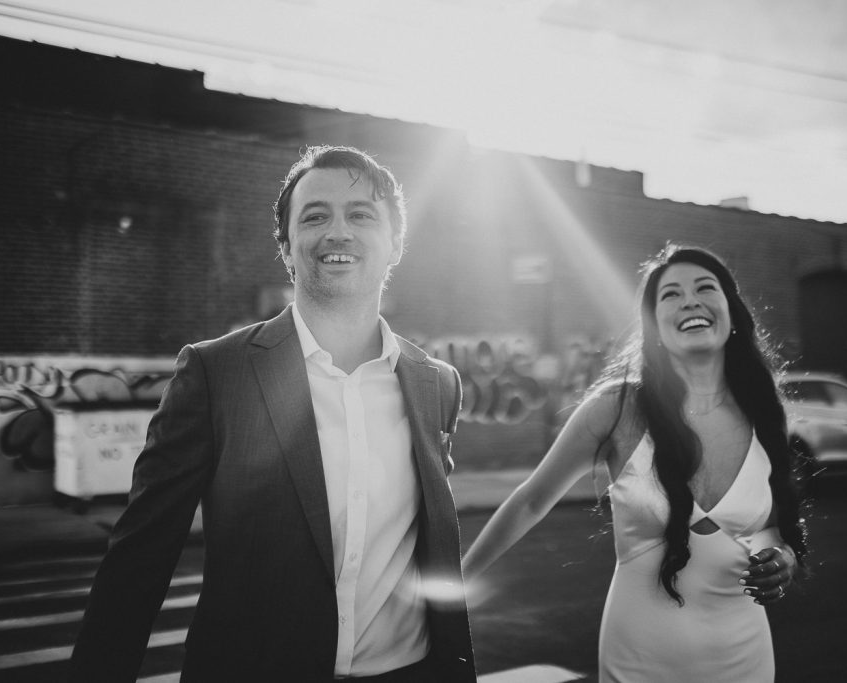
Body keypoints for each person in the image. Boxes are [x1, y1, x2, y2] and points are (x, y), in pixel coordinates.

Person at [70, 145, 476, 682]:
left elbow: (432, 551)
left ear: (395, 243)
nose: (338, 232)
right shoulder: (216, 373)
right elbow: (139, 557)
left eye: (361, 215)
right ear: (286, 246)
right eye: (315, 217)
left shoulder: (436, 383)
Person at [463, 244, 807, 682]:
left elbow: (771, 527)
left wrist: (783, 559)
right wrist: (457, 583)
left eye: (705, 288)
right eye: (671, 294)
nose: (690, 300)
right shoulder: (616, 408)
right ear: (655, 327)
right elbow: (531, 500)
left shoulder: (763, 412)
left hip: (745, 657)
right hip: (639, 659)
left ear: (731, 312)